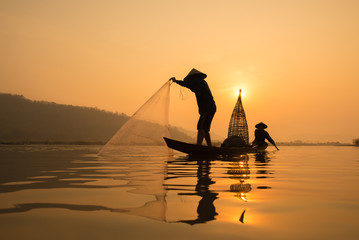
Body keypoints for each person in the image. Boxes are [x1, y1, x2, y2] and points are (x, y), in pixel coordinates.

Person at [170, 68, 216, 146]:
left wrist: (176, 81)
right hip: (211, 108)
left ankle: (198, 146)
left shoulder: (198, 82)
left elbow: (187, 84)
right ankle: (210, 146)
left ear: (193, 77)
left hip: (207, 108)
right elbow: (190, 86)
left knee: (200, 127)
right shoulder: (203, 82)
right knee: (205, 129)